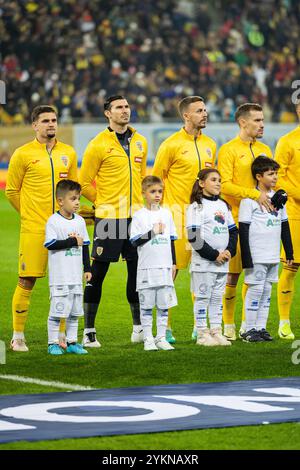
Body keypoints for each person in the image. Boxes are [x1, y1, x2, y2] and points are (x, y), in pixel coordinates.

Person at [5, 105, 78, 352]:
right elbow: (12, 190)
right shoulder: (22, 154)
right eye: (45, 121)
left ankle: (59, 337)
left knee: (64, 284)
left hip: (63, 230)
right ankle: (17, 337)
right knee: (27, 280)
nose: (51, 124)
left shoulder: (68, 152)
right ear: (34, 125)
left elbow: (72, 190)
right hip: (34, 229)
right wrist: (28, 215)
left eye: (54, 120)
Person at [79, 95, 148, 347]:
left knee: (138, 273)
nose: (125, 110)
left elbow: (141, 179)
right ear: (107, 113)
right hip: (109, 219)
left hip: (136, 219)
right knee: (97, 274)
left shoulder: (140, 141)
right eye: (119, 107)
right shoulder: (97, 144)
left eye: (127, 106)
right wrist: (104, 202)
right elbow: (84, 183)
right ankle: (88, 331)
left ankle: (139, 328)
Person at [152, 96, 217, 343]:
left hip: (205, 218)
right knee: (172, 273)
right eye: (199, 110)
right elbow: (156, 181)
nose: (205, 113)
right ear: (186, 116)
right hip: (178, 219)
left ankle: (199, 326)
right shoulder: (170, 145)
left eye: (205, 109)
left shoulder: (210, 144)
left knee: (203, 273)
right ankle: (165, 327)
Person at [217, 103, 273, 341]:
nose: (262, 124)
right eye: (257, 120)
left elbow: (270, 182)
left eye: (262, 120)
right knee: (233, 274)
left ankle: (248, 326)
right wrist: (253, 195)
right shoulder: (229, 150)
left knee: (256, 274)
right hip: (238, 220)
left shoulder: (264, 149)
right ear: (243, 122)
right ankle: (228, 324)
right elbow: (224, 185)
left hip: (262, 223)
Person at [239, 156, 293, 342]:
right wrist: (246, 257)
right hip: (257, 255)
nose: (275, 177)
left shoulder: (279, 199)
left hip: (272, 255)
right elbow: (243, 229)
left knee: (267, 291)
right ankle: (249, 329)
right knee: (256, 289)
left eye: (276, 173)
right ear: (259, 176)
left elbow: (284, 226)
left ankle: (261, 328)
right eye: (271, 174)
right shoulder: (249, 200)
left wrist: (289, 252)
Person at [186, 169, 238, 346]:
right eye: (213, 180)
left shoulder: (223, 205)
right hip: (204, 263)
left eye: (220, 180)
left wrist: (229, 251)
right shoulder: (196, 207)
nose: (218, 183)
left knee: (217, 297)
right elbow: (194, 237)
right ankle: (202, 333)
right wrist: (215, 255)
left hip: (223, 262)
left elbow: (233, 231)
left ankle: (216, 331)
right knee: (203, 297)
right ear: (201, 183)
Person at [130, 175, 177, 351]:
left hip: (164, 267)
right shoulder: (139, 216)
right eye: (153, 191)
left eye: (160, 191)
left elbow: (171, 239)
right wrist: (153, 232)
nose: (157, 195)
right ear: (143, 193)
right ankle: (148, 339)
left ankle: (161, 337)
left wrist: (173, 263)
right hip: (147, 268)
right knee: (147, 305)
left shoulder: (167, 213)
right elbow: (134, 241)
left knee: (164, 305)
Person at [44, 180, 91, 355]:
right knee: (57, 312)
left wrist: (87, 268)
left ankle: (72, 342)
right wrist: (72, 241)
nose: (78, 202)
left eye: (78, 198)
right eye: (73, 199)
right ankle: (52, 343)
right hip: (60, 277)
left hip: (75, 276)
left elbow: (85, 245)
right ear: (60, 201)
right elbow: (50, 244)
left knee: (74, 312)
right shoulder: (53, 221)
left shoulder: (80, 221)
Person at [275, 102, 300, 340]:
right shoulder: (288, 141)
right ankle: (284, 322)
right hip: (295, 213)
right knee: (291, 267)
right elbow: (278, 178)